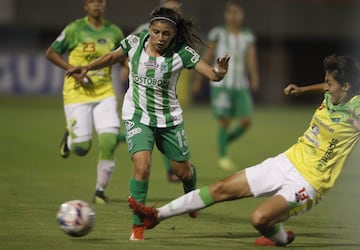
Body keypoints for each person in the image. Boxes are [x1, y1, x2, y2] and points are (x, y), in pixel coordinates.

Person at [129, 54, 360, 246]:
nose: (326, 89)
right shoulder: (333, 95)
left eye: (330, 84)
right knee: (220, 188)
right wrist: (301, 90)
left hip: (309, 181)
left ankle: (279, 237)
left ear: (347, 87)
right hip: (285, 161)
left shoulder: (355, 107)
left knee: (259, 218)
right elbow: (324, 88)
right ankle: (156, 215)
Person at [66, 7, 230, 241]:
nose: (160, 38)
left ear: (174, 34)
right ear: (149, 30)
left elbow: (212, 75)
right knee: (142, 166)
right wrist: (88, 67)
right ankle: (138, 228)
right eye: (156, 32)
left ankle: (190, 194)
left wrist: (220, 72)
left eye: (165, 34)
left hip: (169, 119)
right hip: (137, 116)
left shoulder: (182, 53)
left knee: (182, 171)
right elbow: (112, 56)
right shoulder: (134, 42)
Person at [45, 0, 124, 204]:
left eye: (100, 1)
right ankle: (71, 138)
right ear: (85, 6)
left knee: (109, 141)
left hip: (104, 92)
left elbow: (122, 57)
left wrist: (129, 67)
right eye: (91, 1)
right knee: (82, 148)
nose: (96, 5)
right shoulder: (75, 29)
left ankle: (100, 191)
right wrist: (73, 69)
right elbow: (51, 53)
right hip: (77, 92)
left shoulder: (114, 31)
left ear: (105, 5)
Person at [118, 0, 183, 182]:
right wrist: (125, 69)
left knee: (160, 124)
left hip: (161, 89)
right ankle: (170, 171)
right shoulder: (145, 30)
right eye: (170, 9)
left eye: (176, 10)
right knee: (146, 123)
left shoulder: (177, 34)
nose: (173, 13)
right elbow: (127, 50)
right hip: (139, 82)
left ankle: (171, 170)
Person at [193, 1, 259, 171]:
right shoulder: (218, 33)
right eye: (230, 12)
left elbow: (250, 58)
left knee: (246, 121)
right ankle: (223, 157)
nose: (233, 16)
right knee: (224, 121)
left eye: (236, 12)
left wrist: (254, 77)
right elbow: (207, 55)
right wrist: (199, 79)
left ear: (242, 15)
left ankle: (224, 142)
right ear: (226, 15)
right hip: (221, 85)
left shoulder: (247, 35)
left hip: (240, 84)